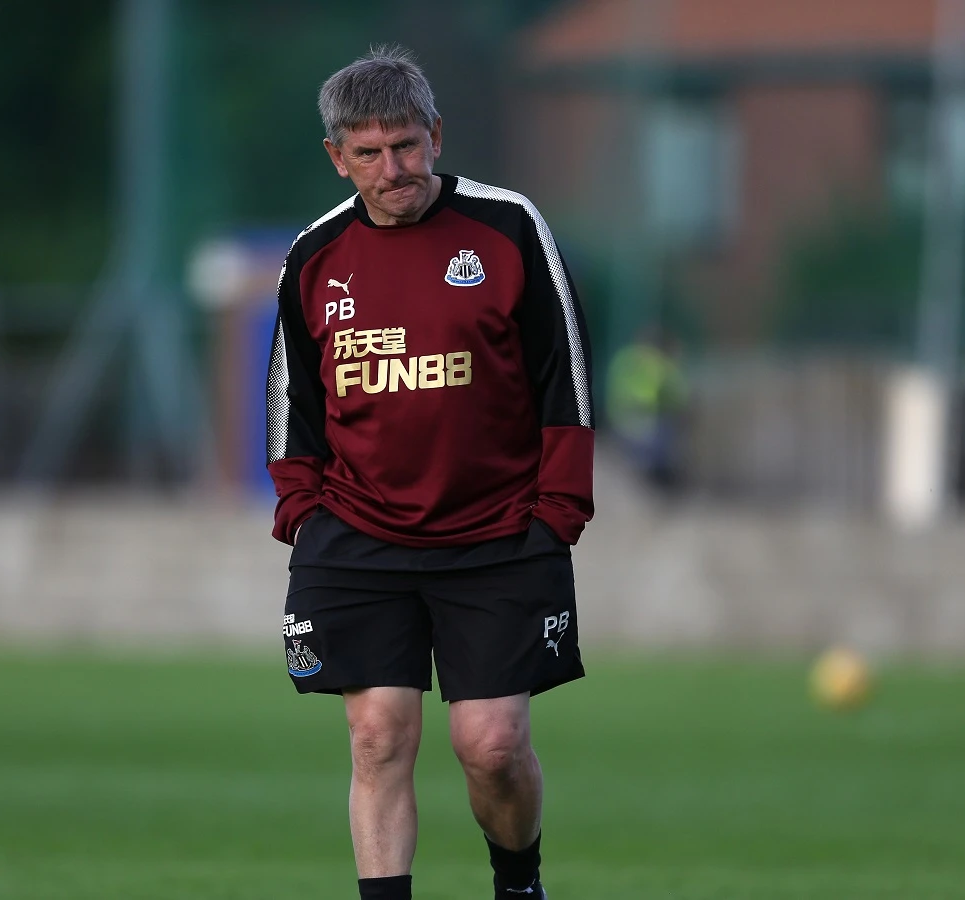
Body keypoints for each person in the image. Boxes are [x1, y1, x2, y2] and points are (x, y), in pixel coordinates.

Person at [264, 45, 594, 900]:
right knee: (377, 735)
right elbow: (290, 391)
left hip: (498, 534)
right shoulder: (314, 255)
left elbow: (568, 376)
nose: (393, 168)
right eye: (369, 153)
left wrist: (559, 508)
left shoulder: (510, 227)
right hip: (357, 531)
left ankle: (517, 880)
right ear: (338, 157)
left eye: (406, 145)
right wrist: (301, 503)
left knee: (491, 747)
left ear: (436, 136)